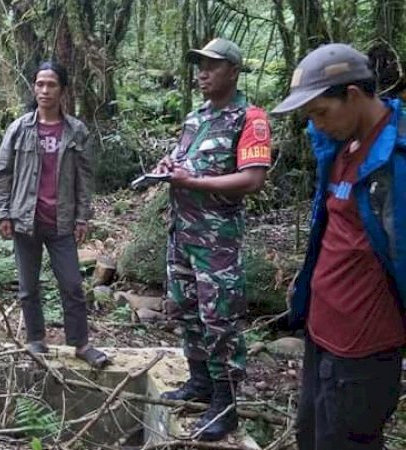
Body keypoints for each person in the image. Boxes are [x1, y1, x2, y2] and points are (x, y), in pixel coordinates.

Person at [272, 43, 405, 450]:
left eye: (320, 113)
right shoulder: (341, 147)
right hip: (323, 330)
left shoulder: (395, 160)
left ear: (353, 95)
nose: (317, 124)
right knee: (312, 436)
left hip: (363, 348)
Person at [154, 38, 271, 441]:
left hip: (216, 240)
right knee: (186, 310)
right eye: (199, 65)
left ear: (233, 71)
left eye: (212, 65)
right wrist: (170, 166)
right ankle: (200, 382)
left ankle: (227, 402)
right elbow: (185, 162)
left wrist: (195, 180)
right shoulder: (195, 116)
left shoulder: (249, 118)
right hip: (182, 233)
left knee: (219, 319)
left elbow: (253, 179)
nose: (202, 72)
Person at [0, 61, 109, 369]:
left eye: (51, 84)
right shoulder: (19, 129)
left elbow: (85, 179)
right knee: (28, 287)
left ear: (63, 90)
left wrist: (83, 217)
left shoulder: (76, 131)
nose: (44, 90)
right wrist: (1, 214)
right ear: (34, 87)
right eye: (40, 84)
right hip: (25, 220)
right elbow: (2, 174)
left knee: (71, 284)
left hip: (61, 221)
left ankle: (81, 343)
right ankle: (35, 340)